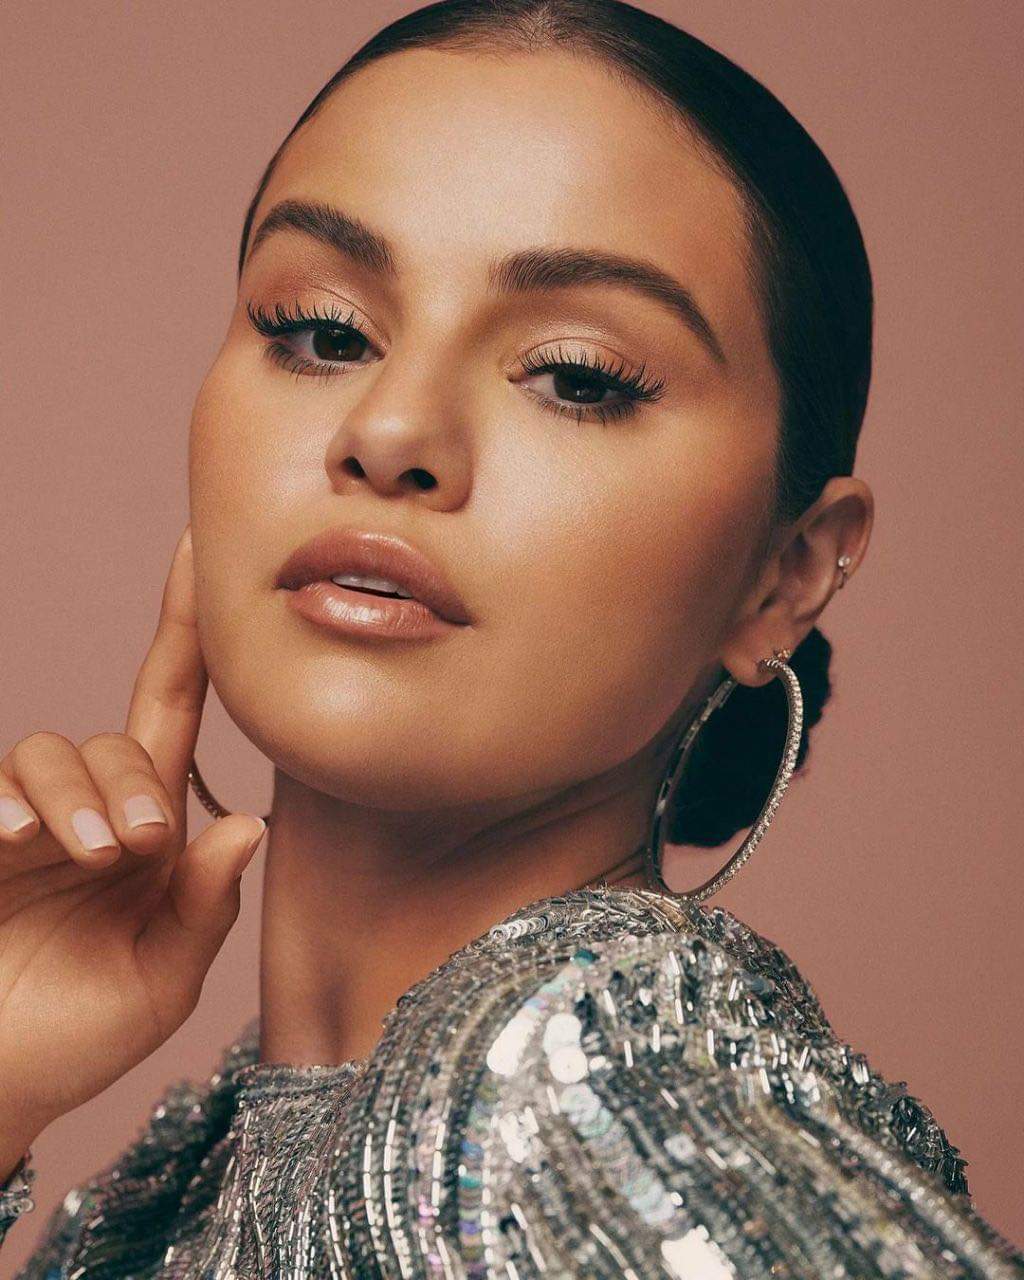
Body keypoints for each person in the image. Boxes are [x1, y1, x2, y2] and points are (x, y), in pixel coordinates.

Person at [1, 1, 1021, 1275]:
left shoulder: (602, 1113)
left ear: (786, 572)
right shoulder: (198, 1161)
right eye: (322, 330)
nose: (390, 432)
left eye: (577, 375)